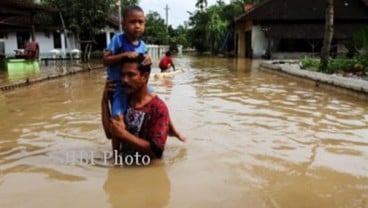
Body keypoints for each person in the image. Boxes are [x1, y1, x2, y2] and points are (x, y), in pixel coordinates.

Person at [102, 56, 172, 158]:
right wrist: (104, 100)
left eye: (131, 75)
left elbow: (156, 152)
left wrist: (124, 135)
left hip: (146, 170)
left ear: (145, 77)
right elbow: (110, 133)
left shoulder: (158, 108)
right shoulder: (123, 102)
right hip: (123, 165)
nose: (124, 80)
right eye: (122, 75)